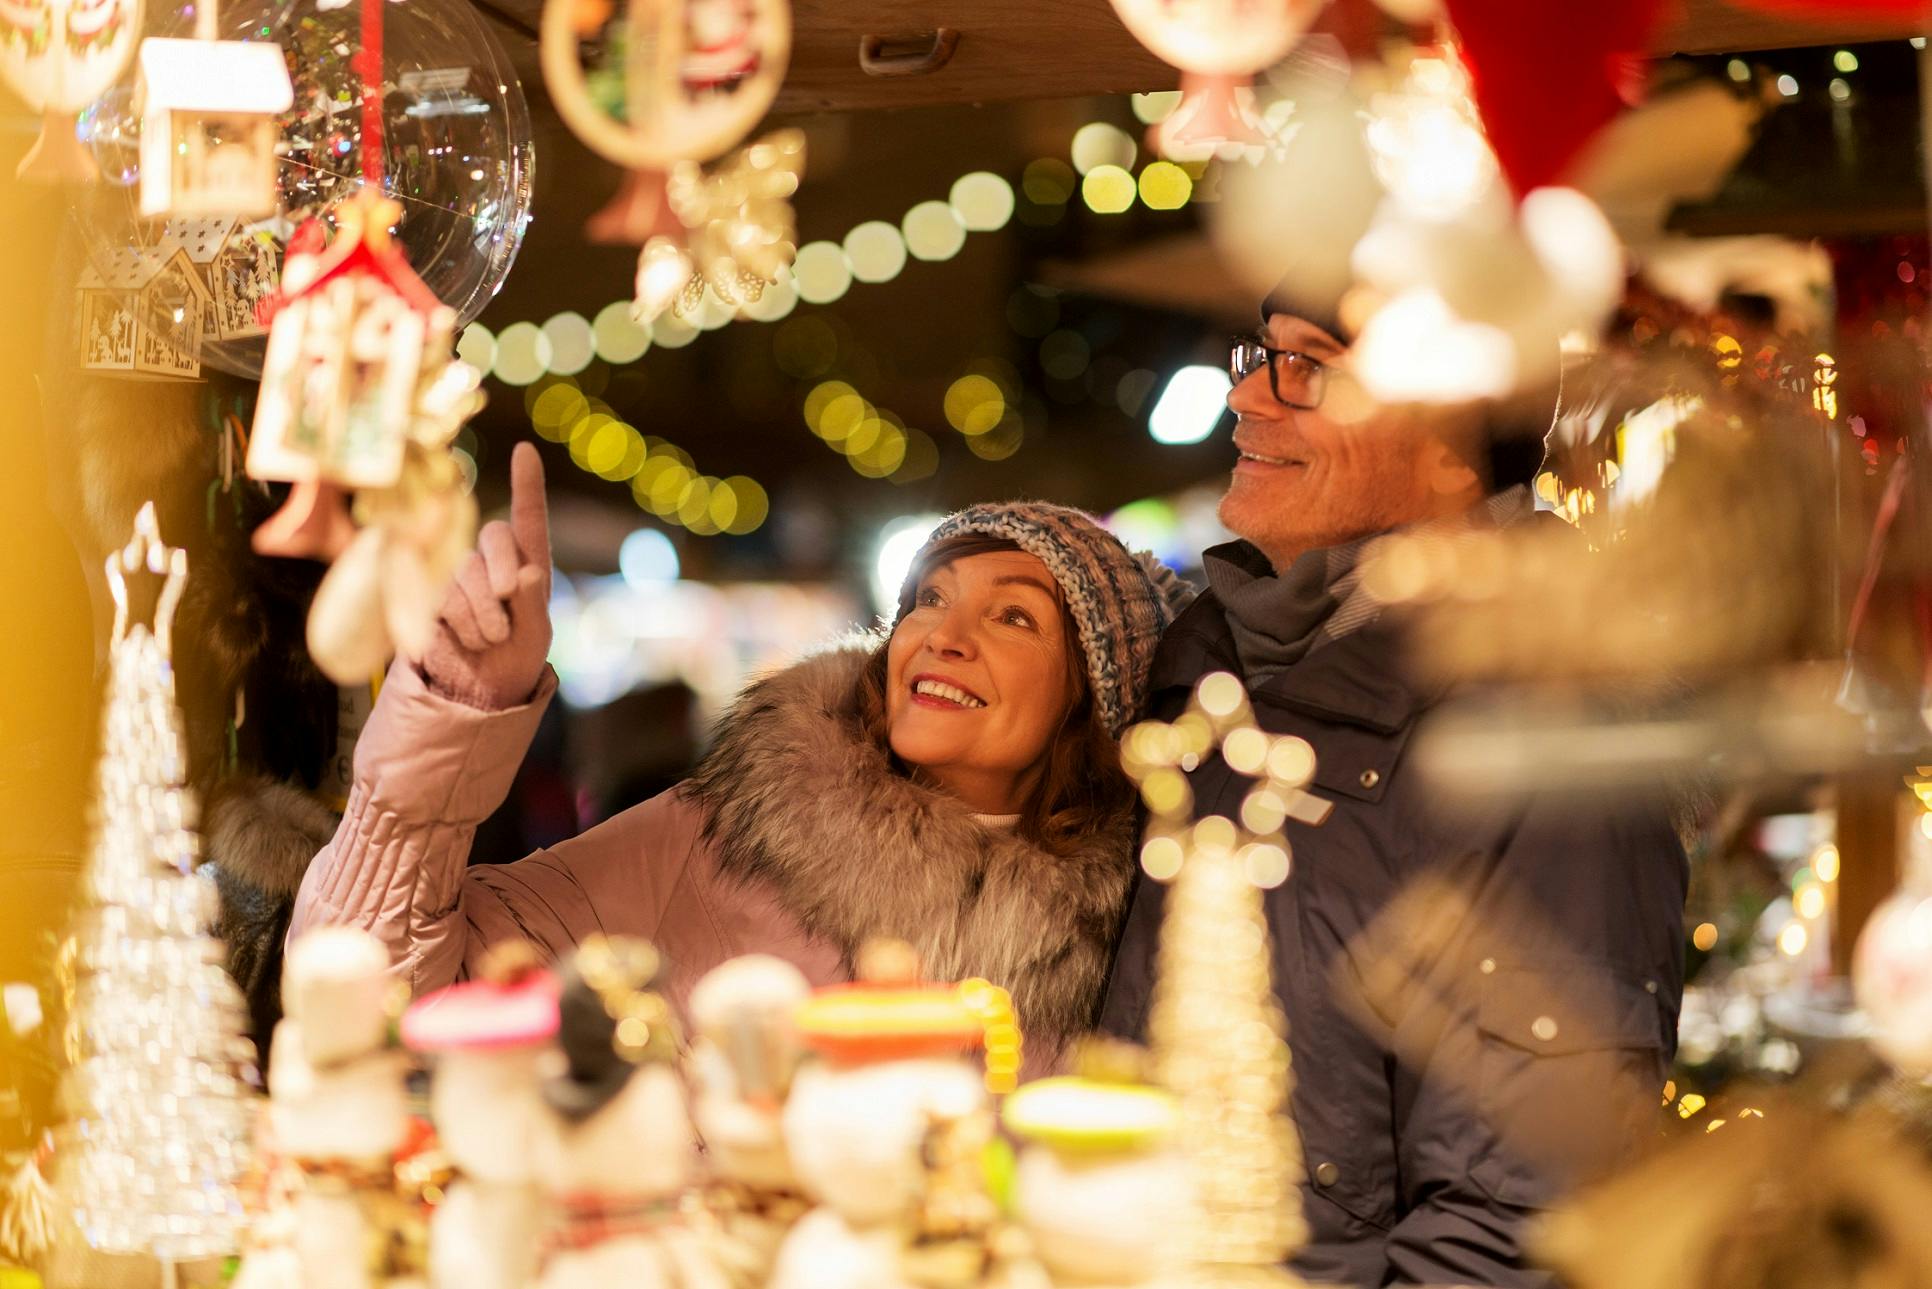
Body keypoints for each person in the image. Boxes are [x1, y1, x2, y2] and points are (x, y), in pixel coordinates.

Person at [1097, 290, 1688, 1287]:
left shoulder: (1547, 716)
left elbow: (1521, 1216)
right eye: (1258, 354)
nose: (1246, 394)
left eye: (1311, 366)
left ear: (1456, 448)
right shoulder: (1205, 665)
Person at [288, 443, 1190, 1061]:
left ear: (1094, 698)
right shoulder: (726, 835)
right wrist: (457, 708)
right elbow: (372, 990)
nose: (941, 635)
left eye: (1012, 616)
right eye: (930, 597)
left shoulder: (1128, 940)